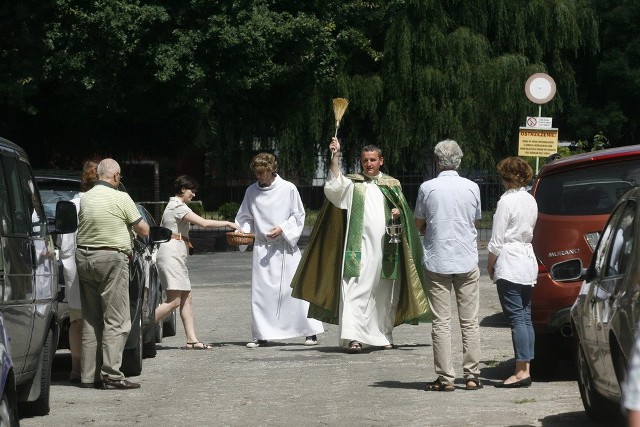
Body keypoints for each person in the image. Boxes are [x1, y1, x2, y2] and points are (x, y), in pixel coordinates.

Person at [291, 138, 428, 353]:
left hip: (386, 249)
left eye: (373, 160)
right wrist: (335, 157)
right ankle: (354, 338)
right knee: (354, 290)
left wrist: (398, 213)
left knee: (384, 293)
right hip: (358, 249)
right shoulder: (353, 183)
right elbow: (334, 189)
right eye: (365, 160)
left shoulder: (392, 184)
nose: (369, 164)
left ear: (381, 161)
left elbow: (405, 215)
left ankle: (383, 335)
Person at [235, 153, 324, 348]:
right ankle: (261, 334)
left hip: (284, 247)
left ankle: (309, 331)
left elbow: (298, 215)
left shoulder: (288, 188)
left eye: (263, 172)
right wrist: (244, 233)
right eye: (256, 173)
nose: (259, 176)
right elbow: (245, 217)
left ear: (271, 169)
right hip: (262, 248)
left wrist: (283, 228)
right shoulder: (251, 191)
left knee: (293, 290)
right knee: (262, 293)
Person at [414, 139, 483, 392]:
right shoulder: (472, 187)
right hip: (465, 258)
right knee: (469, 320)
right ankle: (473, 374)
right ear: (459, 161)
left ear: (436, 162)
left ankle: (446, 378)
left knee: (441, 322)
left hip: (438, 260)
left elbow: (419, 223)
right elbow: (475, 221)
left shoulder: (427, 188)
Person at [75, 158, 149, 390]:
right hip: (111, 259)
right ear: (116, 176)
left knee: (91, 318)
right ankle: (112, 375)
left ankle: (88, 376)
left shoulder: (85, 198)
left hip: (84, 258)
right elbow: (144, 229)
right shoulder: (121, 197)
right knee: (117, 319)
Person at [154, 175, 239, 350]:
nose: (193, 194)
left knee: (186, 297)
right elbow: (204, 223)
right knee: (174, 301)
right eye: (191, 190)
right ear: (182, 189)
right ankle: (138, 327)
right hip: (171, 255)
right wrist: (229, 223)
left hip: (176, 254)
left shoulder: (178, 205)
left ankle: (192, 340)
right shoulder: (177, 206)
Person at [486, 156, 538, 388]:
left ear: (505, 177)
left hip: (510, 260)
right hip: (527, 258)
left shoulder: (506, 201)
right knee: (525, 316)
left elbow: (497, 239)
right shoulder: (530, 199)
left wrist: (490, 264)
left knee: (517, 317)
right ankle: (525, 367)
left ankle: (520, 371)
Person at [58, 160, 98, 382]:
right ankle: (93, 367)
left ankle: (75, 368)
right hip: (94, 265)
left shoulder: (71, 204)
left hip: (72, 266)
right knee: (97, 319)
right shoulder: (100, 202)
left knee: (77, 320)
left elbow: (63, 242)